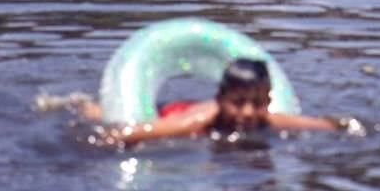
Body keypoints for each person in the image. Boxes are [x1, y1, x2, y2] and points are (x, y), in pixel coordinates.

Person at [76, 59, 349, 146]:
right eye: (238, 103)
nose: (247, 112)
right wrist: (101, 139)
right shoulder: (199, 120)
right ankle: (78, 103)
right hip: (174, 113)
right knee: (98, 113)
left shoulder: (266, 118)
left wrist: (344, 126)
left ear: (268, 101)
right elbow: (130, 134)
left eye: (257, 103)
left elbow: (322, 125)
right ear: (220, 99)